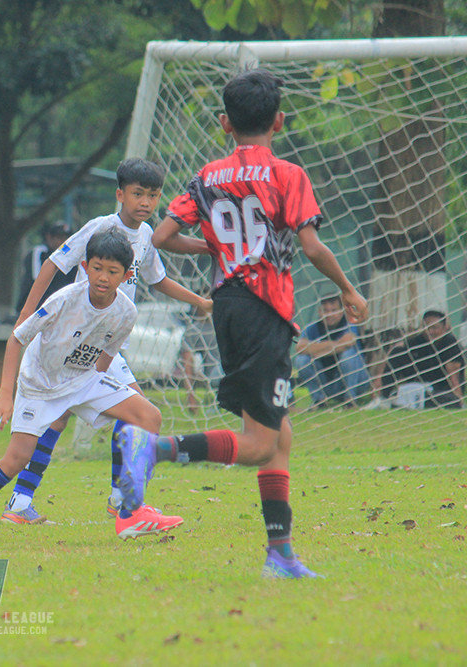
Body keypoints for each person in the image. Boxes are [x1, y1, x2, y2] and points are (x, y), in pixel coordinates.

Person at [122, 68, 369, 578]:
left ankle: (280, 553)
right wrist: (347, 289)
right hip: (264, 308)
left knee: (279, 435)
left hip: (227, 306)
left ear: (223, 123)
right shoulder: (287, 175)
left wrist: (212, 245)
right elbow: (311, 245)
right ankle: (153, 449)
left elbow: (163, 236)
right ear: (279, 120)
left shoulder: (207, 176)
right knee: (259, 444)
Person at [0, 228, 185, 547]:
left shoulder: (126, 312)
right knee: (16, 459)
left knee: (148, 416)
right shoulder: (65, 300)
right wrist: (4, 394)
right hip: (38, 384)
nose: (103, 277)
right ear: (85, 266)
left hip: (82, 378)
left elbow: (106, 357)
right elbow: (17, 339)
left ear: (127, 275)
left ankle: (131, 511)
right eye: (97, 268)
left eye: (113, 271)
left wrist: (93, 398)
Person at [1, 158, 211, 528]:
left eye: (152, 196)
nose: (145, 202)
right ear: (120, 194)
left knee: (128, 413)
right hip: (80, 334)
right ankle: (115, 500)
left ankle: (47, 500)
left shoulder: (145, 236)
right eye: (137, 194)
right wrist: (24, 316)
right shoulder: (101, 228)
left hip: (108, 339)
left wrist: (197, 300)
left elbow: (156, 279)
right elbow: (53, 264)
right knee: (108, 412)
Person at [294, 294, 370, 409]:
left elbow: (348, 343)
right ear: (320, 312)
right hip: (327, 384)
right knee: (301, 360)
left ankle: (350, 400)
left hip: (357, 382)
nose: (329, 314)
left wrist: (317, 350)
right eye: (325, 310)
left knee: (348, 355)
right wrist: (335, 346)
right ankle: (319, 400)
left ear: (341, 311)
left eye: (334, 310)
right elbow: (300, 348)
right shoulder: (313, 328)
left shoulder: (350, 325)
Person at [383, 310, 464, 409]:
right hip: (418, 386)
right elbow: (397, 348)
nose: (429, 332)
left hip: (440, 390)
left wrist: (459, 399)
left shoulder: (450, 344)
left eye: (434, 328)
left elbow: (454, 378)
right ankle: (384, 397)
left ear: (444, 328)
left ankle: (408, 401)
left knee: (447, 400)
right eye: (426, 327)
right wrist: (379, 380)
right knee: (397, 352)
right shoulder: (419, 340)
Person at [14, 221, 76, 314]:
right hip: (37, 308)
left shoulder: (72, 258)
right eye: (59, 238)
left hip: (61, 309)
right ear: (49, 237)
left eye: (66, 238)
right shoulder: (39, 253)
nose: (63, 242)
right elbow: (36, 279)